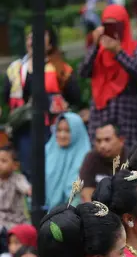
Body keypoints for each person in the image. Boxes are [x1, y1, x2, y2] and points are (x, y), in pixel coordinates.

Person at [3, 27, 81, 178]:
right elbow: (6, 96)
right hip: (25, 129)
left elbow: (75, 97)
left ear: (50, 45)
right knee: (29, 172)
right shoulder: (15, 68)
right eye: (30, 37)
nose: (33, 40)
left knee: (53, 170)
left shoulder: (60, 68)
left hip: (52, 129)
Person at [79, 4, 137, 150]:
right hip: (101, 114)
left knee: (129, 161)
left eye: (116, 24)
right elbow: (83, 72)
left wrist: (118, 52)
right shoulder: (98, 50)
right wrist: (96, 46)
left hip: (127, 116)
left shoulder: (135, 48)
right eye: (107, 24)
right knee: (100, 157)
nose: (112, 29)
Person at [45, 113, 91, 210]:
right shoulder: (48, 150)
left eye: (67, 131)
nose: (62, 135)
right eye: (59, 130)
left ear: (77, 132)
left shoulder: (86, 157)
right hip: (44, 211)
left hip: (72, 213)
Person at [79, 123, 127, 202]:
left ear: (121, 140)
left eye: (107, 140)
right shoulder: (91, 158)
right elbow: (86, 192)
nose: (102, 145)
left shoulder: (131, 159)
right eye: (98, 141)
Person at [0, 146, 31, 239]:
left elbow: (27, 189)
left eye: (3, 161)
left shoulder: (17, 178)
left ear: (15, 165)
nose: (0, 164)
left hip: (15, 222)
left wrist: (29, 191)